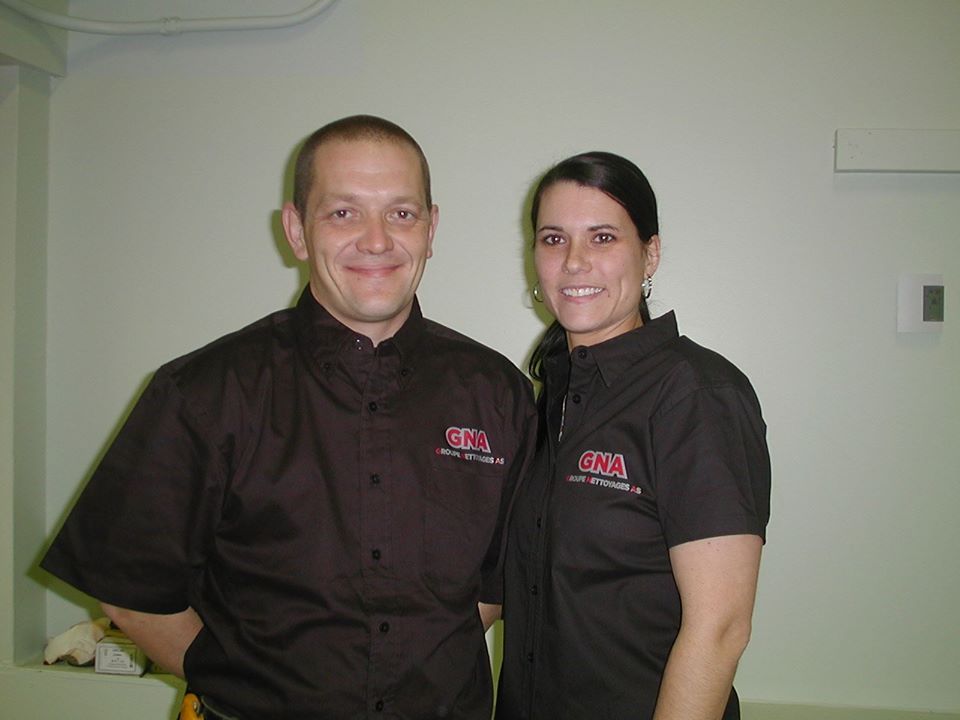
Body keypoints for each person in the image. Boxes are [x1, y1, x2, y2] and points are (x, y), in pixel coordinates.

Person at [41, 115, 536, 720]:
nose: (376, 240)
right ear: (297, 231)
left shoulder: (498, 395)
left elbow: (494, 588)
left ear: (431, 229)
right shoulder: (202, 393)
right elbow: (130, 593)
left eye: (401, 213)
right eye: (344, 213)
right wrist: (247, 687)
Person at [495, 152, 770, 720]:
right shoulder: (549, 399)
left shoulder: (696, 394)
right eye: (553, 239)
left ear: (651, 253)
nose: (574, 261)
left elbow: (720, 628)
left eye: (602, 237)